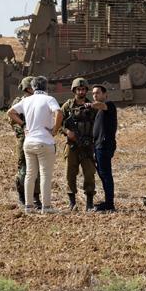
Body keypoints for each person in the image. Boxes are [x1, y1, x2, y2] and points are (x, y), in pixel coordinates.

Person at [8, 75, 60, 213]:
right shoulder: (49, 99)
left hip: (28, 142)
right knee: (45, 175)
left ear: (33, 87)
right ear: (46, 87)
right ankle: (46, 207)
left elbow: (10, 112)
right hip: (44, 142)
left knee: (30, 175)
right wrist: (55, 130)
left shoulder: (26, 100)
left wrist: (24, 124)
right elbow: (59, 112)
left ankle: (28, 206)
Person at [60, 77, 98, 212]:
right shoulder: (67, 106)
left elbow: (98, 124)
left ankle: (89, 203)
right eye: (78, 89)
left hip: (88, 146)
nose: (81, 91)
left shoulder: (92, 106)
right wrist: (67, 131)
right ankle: (72, 203)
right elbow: (58, 124)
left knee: (89, 174)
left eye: (83, 89)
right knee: (70, 174)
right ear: (74, 90)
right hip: (72, 146)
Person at [10, 77, 40, 208]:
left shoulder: (38, 101)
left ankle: (36, 197)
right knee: (23, 168)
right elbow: (12, 121)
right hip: (24, 139)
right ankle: (22, 196)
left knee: (37, 168)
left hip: (37, 137)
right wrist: (23, 128)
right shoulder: (19, 102)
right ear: (28, 88)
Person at [90, 83, 117, 212]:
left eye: (98, 93)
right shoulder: (99, 111)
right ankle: (108, 201)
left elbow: (100, 105)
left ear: (105, 94)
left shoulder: (109, 105)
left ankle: (110, 203)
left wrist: (90, 104)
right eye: (93, 93)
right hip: (98, 146)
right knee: (102, 174)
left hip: (104, 146)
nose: (95, 95)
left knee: (106, 174)